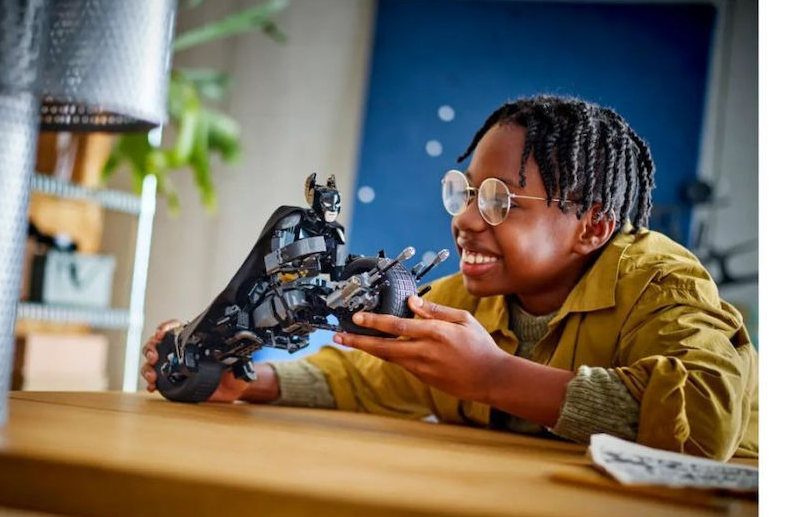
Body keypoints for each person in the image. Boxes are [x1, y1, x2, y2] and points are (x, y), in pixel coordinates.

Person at [142, 94, 758, 462]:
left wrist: (494, 376)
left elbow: (704, 424)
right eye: (465, 194)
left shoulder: (663, 284)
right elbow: (372, 377)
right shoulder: (469, 297)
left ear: (593, 226)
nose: (464, 219)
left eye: (499, 202)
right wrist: (249, 383)